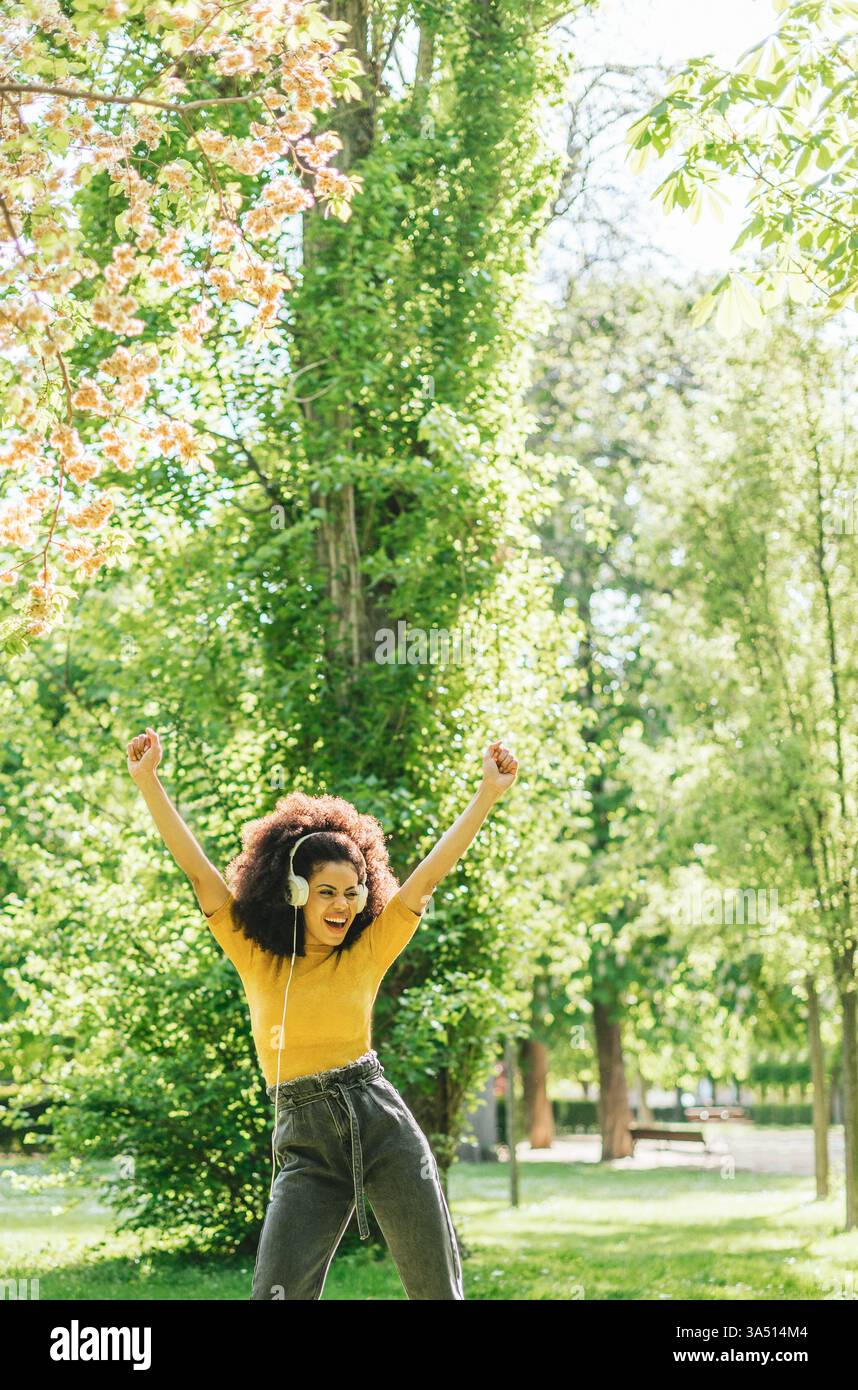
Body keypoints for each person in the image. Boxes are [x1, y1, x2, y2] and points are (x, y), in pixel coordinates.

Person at [126, 726, 518, 1300]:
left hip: (381, 1122)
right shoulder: (255, 956)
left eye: (353, 891)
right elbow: (198, 872)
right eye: (327, 891)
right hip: (305, 1143)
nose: (342, 904)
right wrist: (148, 781)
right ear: (292, 893)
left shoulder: (367, 952)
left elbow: (428, 876)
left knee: (438, 1292)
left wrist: (487, 792)